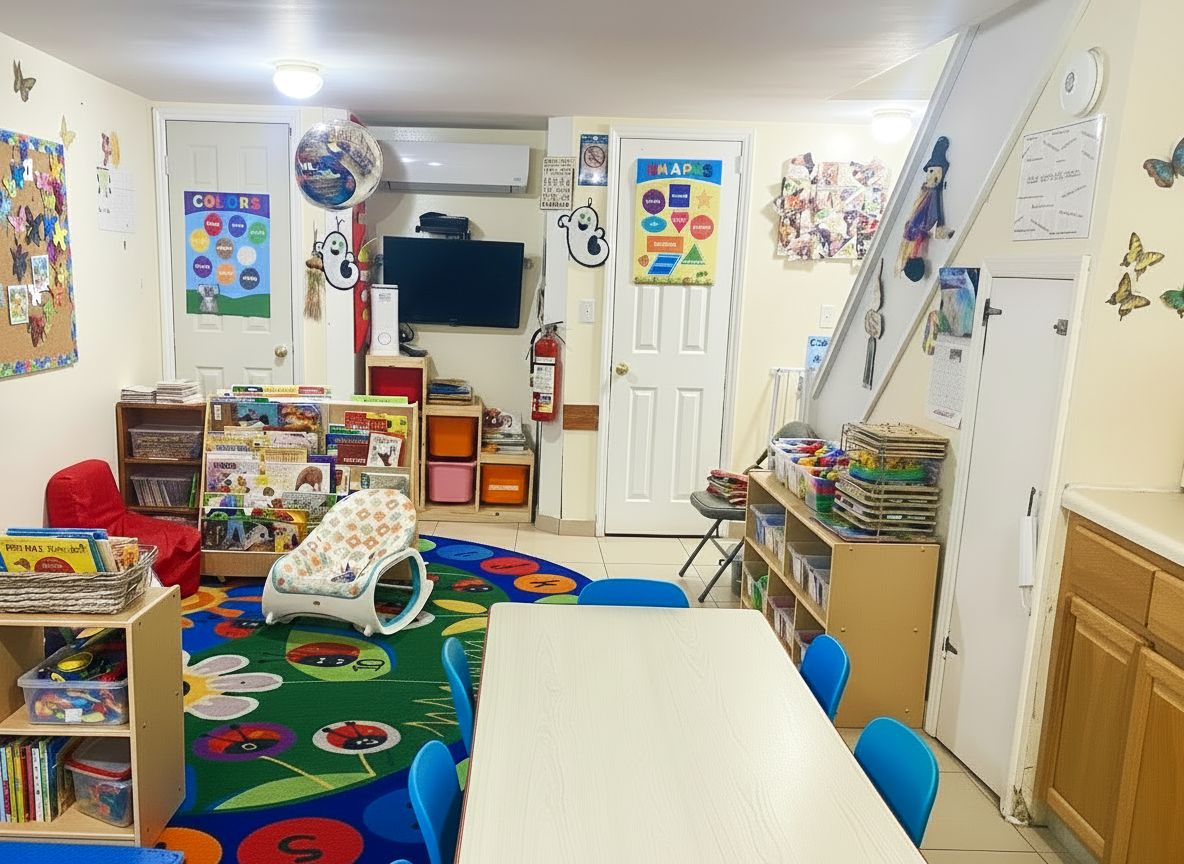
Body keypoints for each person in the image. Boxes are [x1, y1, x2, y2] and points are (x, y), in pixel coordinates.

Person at [897, 137, 954, 282]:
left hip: (920, 228)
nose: (932, 176)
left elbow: (933, 214)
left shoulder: (931, 193)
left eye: (935, 172)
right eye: (930, 172)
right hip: (918, 228)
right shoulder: (926, 193)